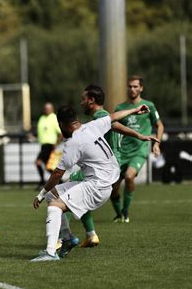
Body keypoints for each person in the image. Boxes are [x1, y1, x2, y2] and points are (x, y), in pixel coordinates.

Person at [31, 103, 152, 262]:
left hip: (97, 186)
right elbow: (114, 116)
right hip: (100, 182)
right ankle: (67, 239)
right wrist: (135, 110)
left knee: (55, 205)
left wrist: (40, 194)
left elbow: (57, 173)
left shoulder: (74, 142)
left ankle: (50, 252)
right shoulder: (93, 125)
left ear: (62, 124)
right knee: (52, 197)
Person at [62, 84, 159, 248]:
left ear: (91, 100)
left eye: (83, 99)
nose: (81, 103)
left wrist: (140, 136)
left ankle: (63, 238)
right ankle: (90, 235)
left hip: (107, 166)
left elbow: (116, 126)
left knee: (67, 189)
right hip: (111, 164)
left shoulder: (101, 115)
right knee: (79, 191)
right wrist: (139, 135)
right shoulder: (104, 115)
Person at [112, 75, 164, 223]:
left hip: (139, 151)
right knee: (112, 188)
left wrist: (156, 143)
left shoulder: (149, 106)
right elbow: (113, 127)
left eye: (135, 86)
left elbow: (159, 125)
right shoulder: (120, 108)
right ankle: (119, 214)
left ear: (141, 88)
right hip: (121, 152)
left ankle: (126, 212)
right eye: (130, 86)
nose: (132, 89)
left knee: (129, 176)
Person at [35, 102, 62, 188]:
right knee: (49, 167)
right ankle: (60, 182)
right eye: (46, 108)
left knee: (38, 162)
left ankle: (42, 182)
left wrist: (56, 143)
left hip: (50, 145)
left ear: (52, 109)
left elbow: (60, 133)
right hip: (43, 145)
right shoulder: (42, 118)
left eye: (49, 108)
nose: (47, 110)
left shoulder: (54, 118)